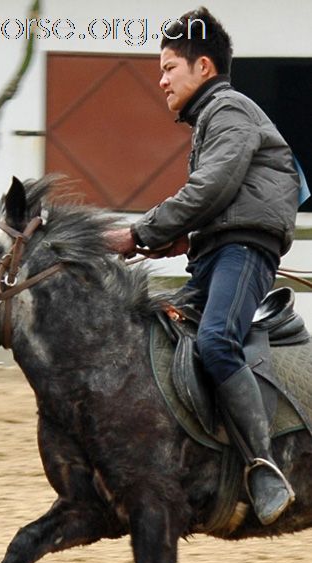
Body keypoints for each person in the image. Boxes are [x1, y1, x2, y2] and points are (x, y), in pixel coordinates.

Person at [105, 7, 300, 526]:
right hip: (217, 250)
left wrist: (139, 233)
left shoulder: (230, 110)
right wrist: (186, 236)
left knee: (215, 340)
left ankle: (263, 467)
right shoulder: (214, 117)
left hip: (243, 252)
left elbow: (212, 187)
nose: (161, 79)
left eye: (170, 67)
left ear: (204, 68)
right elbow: (221, 197)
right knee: (155, 331)